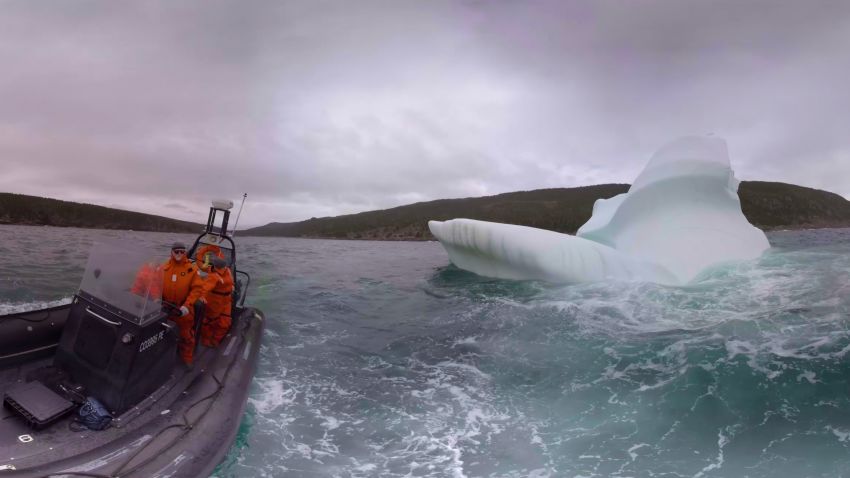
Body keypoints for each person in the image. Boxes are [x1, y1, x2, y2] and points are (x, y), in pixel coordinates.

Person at [161, 241, 205, 365]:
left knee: (186, 336)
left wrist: (186, 305)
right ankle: (165, 357)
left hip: (184, 309)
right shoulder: (164, 267)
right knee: (165, 333)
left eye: (182, 251)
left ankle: (187, 359)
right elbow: (156, 284)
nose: (179, 253)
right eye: (176, 251)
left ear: (185, 252)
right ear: (171, 252)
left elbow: (197, 289)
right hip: (166, 308)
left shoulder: (192, 269)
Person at [199, 255, 234, 348]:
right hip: (215, 302)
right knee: (210, 322)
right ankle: (206, 340)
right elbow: (204, 288)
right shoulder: (213, 276)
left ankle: (215, 340)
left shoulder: (228, 271)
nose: (224, 268)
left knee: (225, 323)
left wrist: (232, 287)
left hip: (227, 301)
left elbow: (231, 281)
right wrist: (202, 296)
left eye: (225, 266)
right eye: (222, 267)